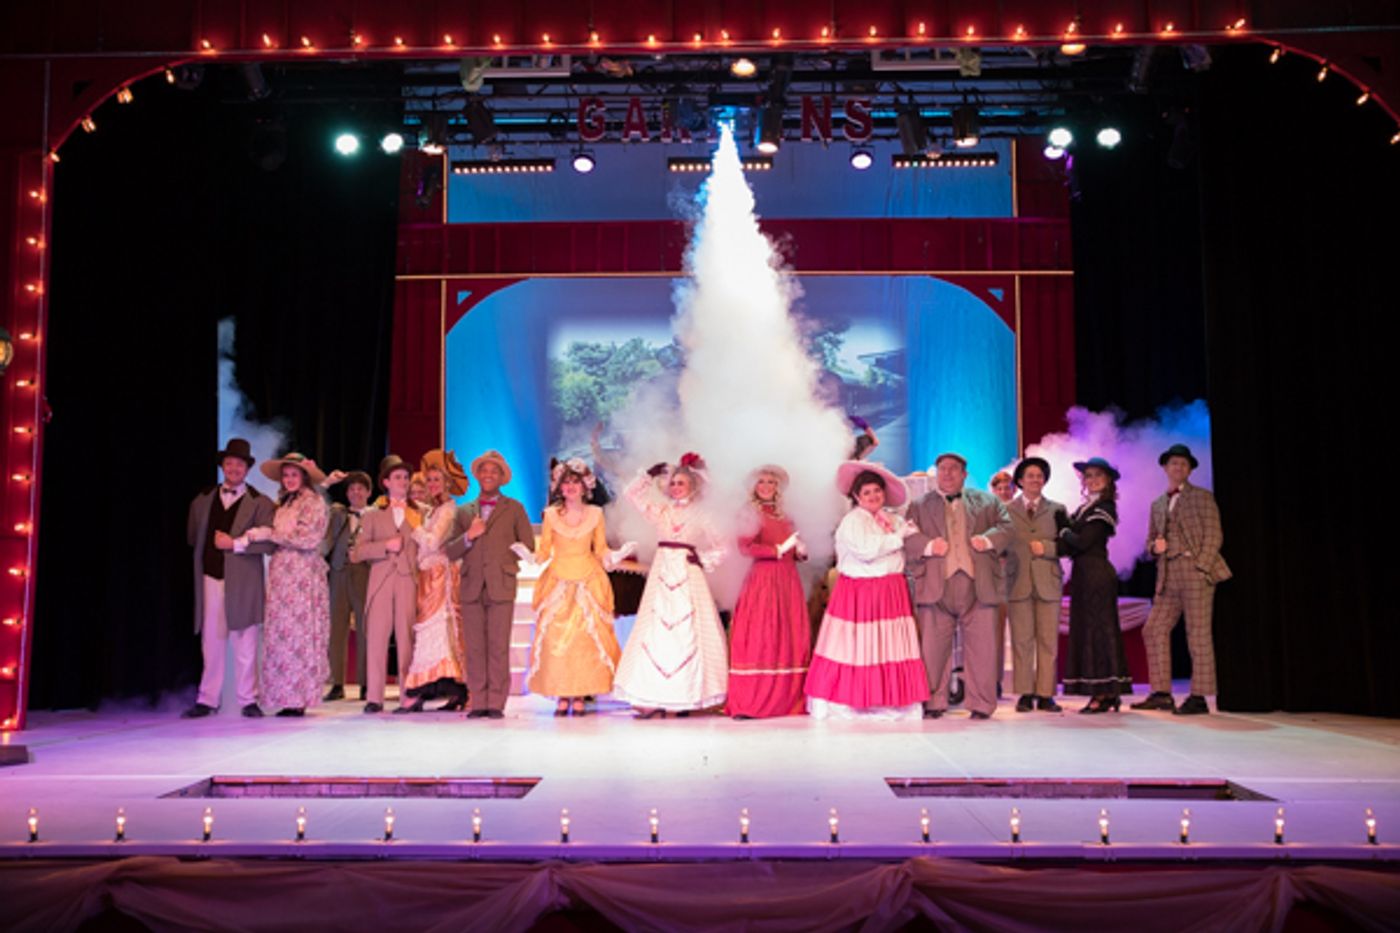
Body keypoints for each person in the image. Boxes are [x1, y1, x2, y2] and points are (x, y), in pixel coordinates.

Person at [805, 462, 928, 720]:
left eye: (877, 491)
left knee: (889, 643)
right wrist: (898, 538)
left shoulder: (892, 519)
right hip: (862, 592)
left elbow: (910, 542)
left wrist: (920, 543)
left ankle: (892, 697)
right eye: (867, 492)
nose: (873, 496)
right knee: (860, 644)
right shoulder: (853, 521)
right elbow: (866, 551)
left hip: (890, 589)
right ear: (857, 497)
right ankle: (858, 697)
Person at [613, 453, 728, 717]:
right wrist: (649, 476)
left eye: (681, 483)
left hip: (688, 573)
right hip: (662, 571)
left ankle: (683, 698)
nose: (675, 487)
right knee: (655, 630)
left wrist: (704, 558)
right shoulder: (661, 511)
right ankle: (653, 697)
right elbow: (632, 495)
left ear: (693, 485)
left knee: (687, 631)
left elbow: (723, 546)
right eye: (673, 483)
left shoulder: (703, 515)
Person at [904, 453, 1011, 720]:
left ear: (964, 474)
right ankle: (933, 701)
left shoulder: (988, 501)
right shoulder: (918, 505)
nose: (947, 474)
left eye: (953, 469)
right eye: (942, 469)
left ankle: (981, 704)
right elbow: (906, 536)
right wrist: (928, 546)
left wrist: (987, 541)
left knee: (983, 648)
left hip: (979, 584)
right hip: (936, 584)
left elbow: (1007, 528)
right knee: (933, 648)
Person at [1132, 444, 1231, 715]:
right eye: (1174, 464)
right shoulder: (1159, 503)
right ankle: (1161, 692)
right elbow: (1150, 540)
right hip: (1168, 574)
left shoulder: (1202, 497)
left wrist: (1201, 566)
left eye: (1184, 465)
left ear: (1189, 470)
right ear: (1165, 468)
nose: (1179, 468)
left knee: (1197, 634)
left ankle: (1199, 696)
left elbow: (1214, 535)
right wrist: (1155, 548)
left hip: (1194, 570)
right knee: (1153, 629)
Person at [184, 438, 276, 719]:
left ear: (247, 468)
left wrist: (236, 543)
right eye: (229, 463)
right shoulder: (203, 500)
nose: (234, 468)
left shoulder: (261, 503)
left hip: (244, 582)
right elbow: (192, 536)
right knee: (211, 641)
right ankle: (208, 698)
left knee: (245, 641)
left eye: (239, 463)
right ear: (223, 466)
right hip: (211, 578)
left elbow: (270, 543)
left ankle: (248, 699)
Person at [524, 458, 623, 716]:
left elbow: (600, 549)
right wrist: (529, 556)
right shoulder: (551, 515)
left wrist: (615, 556)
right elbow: (545, 550)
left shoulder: (595, 514)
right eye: (566, 482)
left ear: (585, 487)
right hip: (558, 580)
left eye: (575, 482)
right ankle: (562, 695)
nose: (570, 487)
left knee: (584, 640)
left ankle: (579, 694)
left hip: (588, 580)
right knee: (557, 640)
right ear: (559, 487)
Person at [445, 450, 535, 720]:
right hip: (472, 585)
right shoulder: (464, 512)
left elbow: (528, 544)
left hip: (501, 584)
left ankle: (496, 701)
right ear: (477, 475)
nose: (488, 475)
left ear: (502, 478)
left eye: (494, 471)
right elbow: (449, 551)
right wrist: (469, 537)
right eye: (484, 471)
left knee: (498, 645)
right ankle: (478, 699)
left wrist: (517, 553)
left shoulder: (515, 508)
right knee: (474, 646)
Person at [248, 452, 331, 717]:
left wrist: (270, 534)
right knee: (282, 634)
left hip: (302, 575)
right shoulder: (284, 504)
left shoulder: (313, 502)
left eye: (294, 474)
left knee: (300, 635)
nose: (290, 479)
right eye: (286, 475)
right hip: (282, 574)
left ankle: (300, 697)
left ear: (304, 476)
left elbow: (308, 537)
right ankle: (285, 696)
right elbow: (283, 539)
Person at [726, 465, 811, 719]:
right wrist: (775, 550)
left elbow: (793, 548)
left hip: (787, 579)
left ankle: (786, 700)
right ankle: (753, 701)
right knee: (763, 632)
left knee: (787, 632)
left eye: (771, 482)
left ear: (777, 487)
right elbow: (744, 547)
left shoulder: (785, 515)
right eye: (761, 481)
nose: (765, 486)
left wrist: (800, 552)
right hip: (763, 579)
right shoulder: (748, 513)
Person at [1057, 457, 1132, 713]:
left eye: (1098, 475)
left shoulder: (1105, 508)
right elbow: (1069, 545)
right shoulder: (1086, 508)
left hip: (1097, 575)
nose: (1092, 480)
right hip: (1083, 575)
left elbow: (1082, 542)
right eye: (1088, 476)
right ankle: (1107, 692)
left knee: (1098, 632)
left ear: (1108, 480)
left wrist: (1064, 531)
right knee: (1090, 630)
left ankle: (1103, 693)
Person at [399, 449, 471, 713]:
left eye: (436, 480)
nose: (431, 485)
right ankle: (450, 690)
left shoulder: (448, 510)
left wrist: (413, 525)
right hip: (428, 575)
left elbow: (433, 542)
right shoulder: (435, 510)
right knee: (432, 632)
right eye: (428, 480)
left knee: (437, 630)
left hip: (440, 576)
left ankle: (427, 690)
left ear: (447, 483)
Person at [351, 455, 420, 714]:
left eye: (406, 477)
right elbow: (357, 552)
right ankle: (374, 697)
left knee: (406, 638)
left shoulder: (419, 512)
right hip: (380, 580)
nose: (403, 482)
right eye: (398, 477)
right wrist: (385, 547)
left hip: (407, 580)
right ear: (386, 482)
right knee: (377, 638)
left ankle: (407, 695)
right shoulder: (372, 515)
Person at [1004, 457, 1067, 713]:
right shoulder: (1006, 510)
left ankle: (1046, 694)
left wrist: (1048, 548)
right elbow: (1000, 542)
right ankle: (1025, 693)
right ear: (1020, 481)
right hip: (1018, 581)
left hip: (1048, 581)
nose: (1035, 480)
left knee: (1048, 640)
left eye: (1039, 476)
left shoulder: (1058, 509)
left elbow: (1068, 543)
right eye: (1030, 476)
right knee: (1021, 640)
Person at [323, 471, 372, 702]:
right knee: (336, 628)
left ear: (369, 493)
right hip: (338, 573)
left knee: (365, 629)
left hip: (364, 574)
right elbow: (319, 506)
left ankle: (365, 682)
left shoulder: (375, 516)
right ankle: (337, 683)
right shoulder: (338, 513)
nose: (356, 492)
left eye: (360, 488)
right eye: (352, 489)